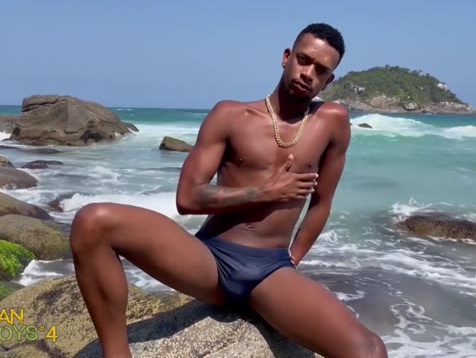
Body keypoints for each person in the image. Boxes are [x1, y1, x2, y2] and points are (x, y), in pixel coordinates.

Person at [69, 22, 388, 358]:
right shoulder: (231, 115)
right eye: (304, 60)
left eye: (321, 70)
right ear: (286, 57)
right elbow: (187, 197)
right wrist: (264, 193)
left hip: (271, 270)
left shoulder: (332, 122)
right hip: (210, 260)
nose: (308, 73)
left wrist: (292, 260)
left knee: (370, 351)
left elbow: (321, 203)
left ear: (329, 80)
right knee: (92, 221)